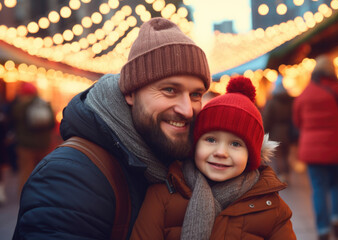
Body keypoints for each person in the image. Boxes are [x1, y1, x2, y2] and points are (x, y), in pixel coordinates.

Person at [13, 17, 211, 240]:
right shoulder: (70, 177)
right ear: (130, 93)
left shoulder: (187, 161)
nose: (187, 110)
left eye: (196, 94)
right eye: (169, 90)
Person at [130, 76, 296, 240]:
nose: (221, 152)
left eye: (236, 144)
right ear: (195, 144)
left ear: (251, 154)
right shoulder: (163, 195)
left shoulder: (272, 209)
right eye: (211, 140)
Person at [292, 55, 338, 240]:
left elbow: (297, 121)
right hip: (336, 147)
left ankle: (322, 229)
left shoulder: (305, 93)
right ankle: (337, 217)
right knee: (336, 184)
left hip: (312, 150)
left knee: (318, 188)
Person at [10, 82, 55, 193]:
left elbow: (13, 120)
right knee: (42, 172)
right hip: (44, 144)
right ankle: (43, 195)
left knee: (26, 172)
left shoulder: (20, 106)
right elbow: (52, 123)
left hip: (25, 145)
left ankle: (25, 196)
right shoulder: (45, 104)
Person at [262, 75, 296, 183]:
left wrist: (264, 131)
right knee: (286, 155)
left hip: (276, 132)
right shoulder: (290, 101)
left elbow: (267, 118)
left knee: (279, 156)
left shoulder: (272, 102)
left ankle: (282, 175)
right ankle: (286, 174)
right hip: (288, 131)